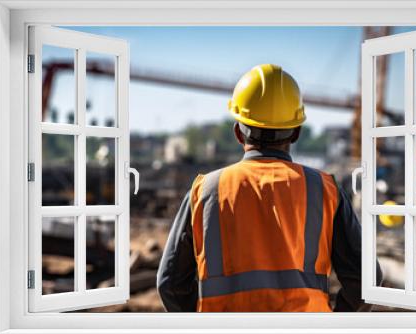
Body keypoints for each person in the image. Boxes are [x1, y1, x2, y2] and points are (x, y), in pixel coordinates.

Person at [156, 64, 382, 312]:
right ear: (296, 133)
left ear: (238, 133)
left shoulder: (205, 191)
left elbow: (170, 284)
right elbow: (366, 281)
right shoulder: (325, 190)